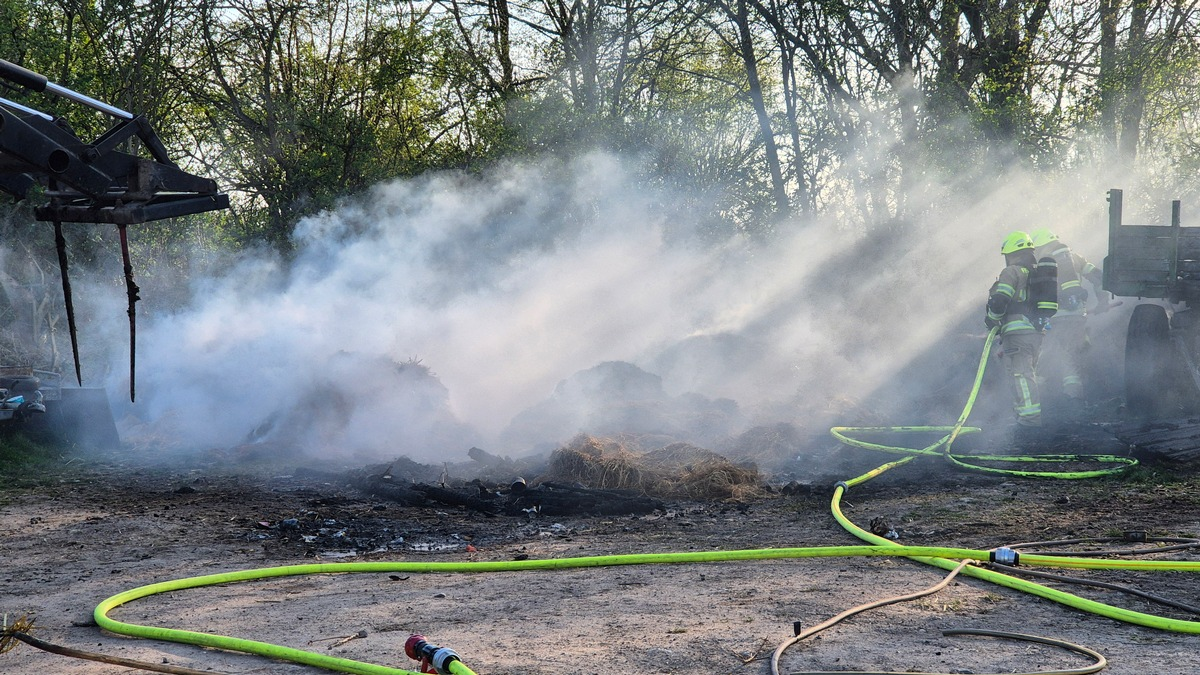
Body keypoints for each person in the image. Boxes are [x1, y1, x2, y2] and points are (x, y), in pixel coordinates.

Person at [1029, 228, 1108, 413]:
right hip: (1077, 318)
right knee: (1073, 356)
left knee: (1046, 356)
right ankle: (1076, 399)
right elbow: (1099, 277)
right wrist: (1102, 301)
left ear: (1041, 247)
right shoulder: (1075, 257)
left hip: (1053, 319)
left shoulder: (1043, 261)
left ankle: (1041, 399)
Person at [986, 231, 1053, 432]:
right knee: (1024, 374)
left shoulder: (1012, 272)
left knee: (1021, 376)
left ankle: (1029, 421)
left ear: (1011, 253)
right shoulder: (1034, 273)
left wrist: (992, 319)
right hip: (1035, 333)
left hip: (1017, 334)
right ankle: (1022, 417)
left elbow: (1000, 301)